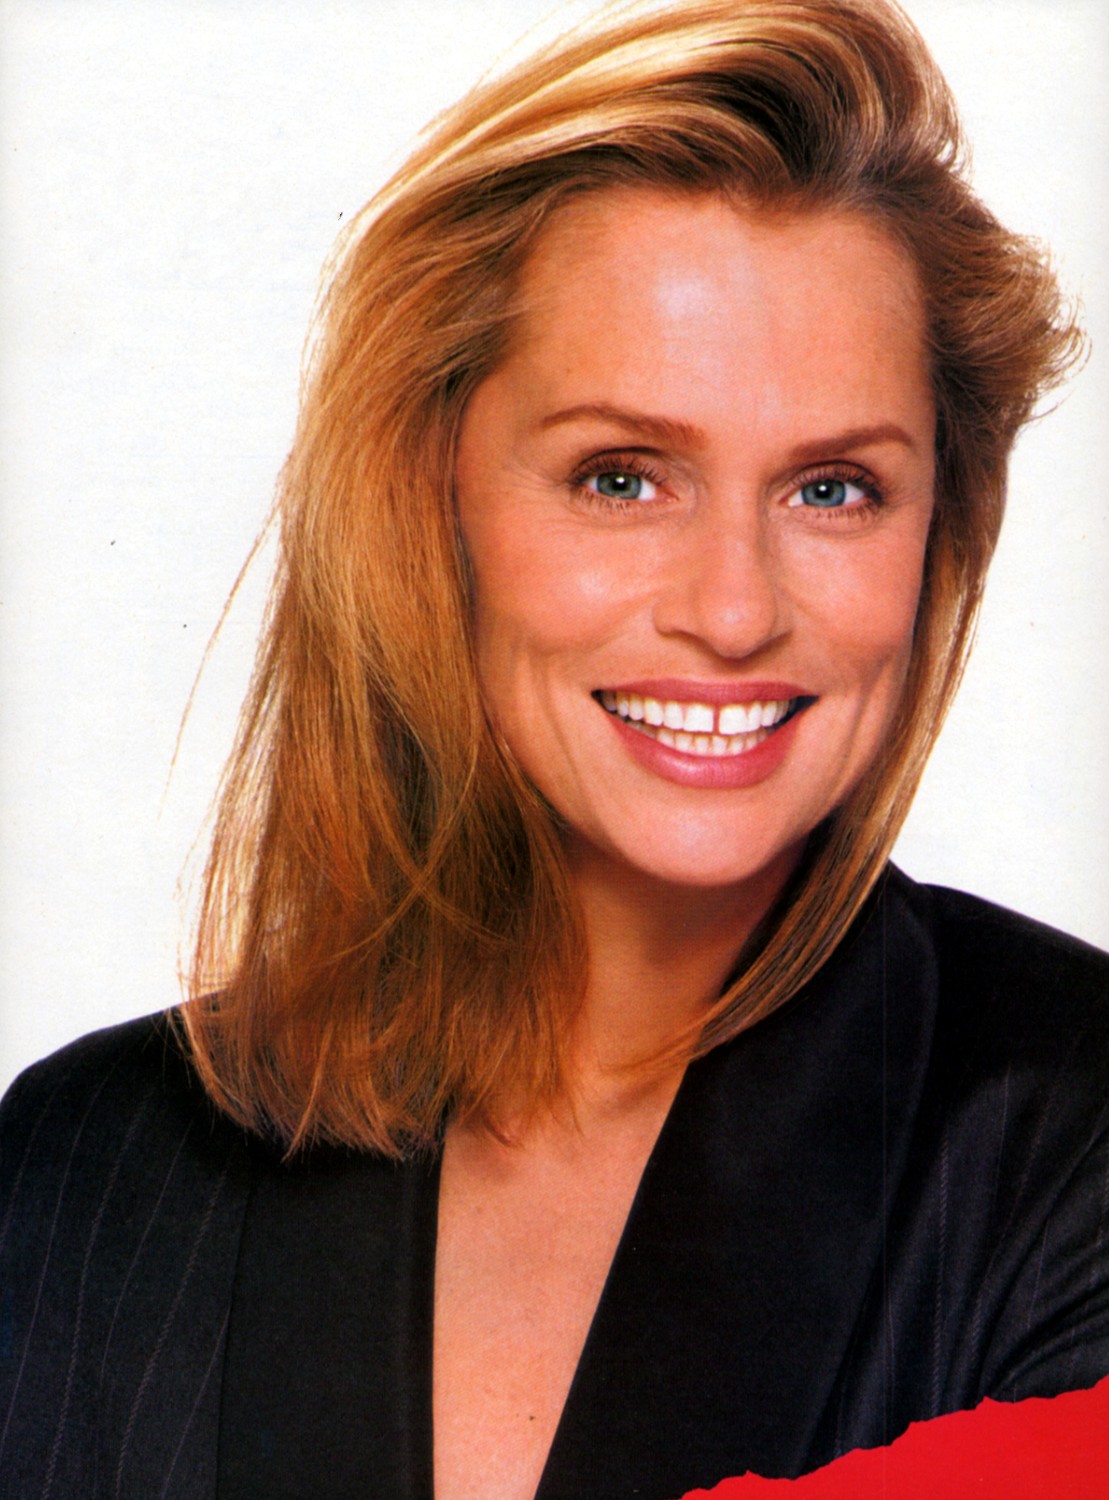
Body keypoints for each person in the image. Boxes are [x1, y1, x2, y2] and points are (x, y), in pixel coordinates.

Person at [1, 1, 1105, 1497]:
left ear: (939, 535)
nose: (733, 609)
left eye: (834, 489)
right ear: (433, 497)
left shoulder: (1071, 1141)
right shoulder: (81, 1171)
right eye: (620, 477)